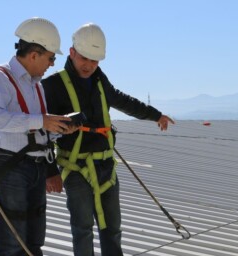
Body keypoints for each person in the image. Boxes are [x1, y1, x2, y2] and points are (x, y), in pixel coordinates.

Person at [42, 23, 175, 255]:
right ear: (72, 53)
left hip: (105, 166)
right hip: (76, 168)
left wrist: (155, 115)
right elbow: (41, 132)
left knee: (112, 228)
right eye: (84, 58)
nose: (89, 66)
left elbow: (123, 101)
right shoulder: (52, 86)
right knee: (82, 229)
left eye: (95, 61)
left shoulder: (100, 81)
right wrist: (50, 171)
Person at [0, 17, 78, 255]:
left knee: (34, 239)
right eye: (51, 58)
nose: (52, 64)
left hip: (33, 165)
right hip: (9, 162)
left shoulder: (36, 86)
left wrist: (56, 130)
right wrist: (42, 121)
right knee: (13, 241)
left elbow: (33, 131)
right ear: (34, 54)